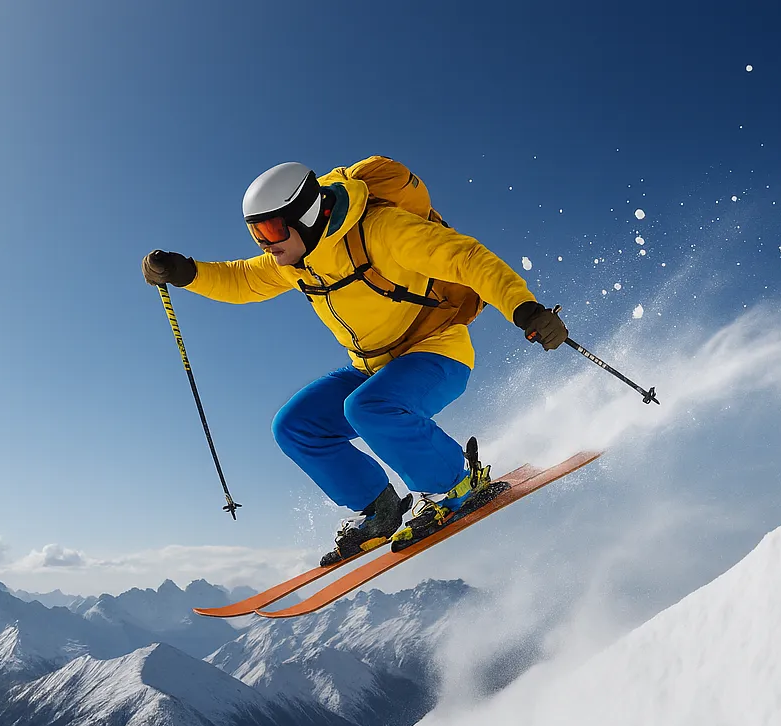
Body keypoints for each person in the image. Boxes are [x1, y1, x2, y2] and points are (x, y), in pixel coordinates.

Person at [143, 158, 571, 566]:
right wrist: (184, 271)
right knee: (295, 427)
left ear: (307, 215)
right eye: (257, 233)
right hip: (373, 368)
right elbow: (243, 279)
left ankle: (459, 486)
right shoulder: (295, 259)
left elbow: (467, 259)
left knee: (367, 407)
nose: (266, 245)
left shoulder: (381, 230)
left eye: (272, 229)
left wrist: (524, 309)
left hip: (437, 351)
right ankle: (379, 507)